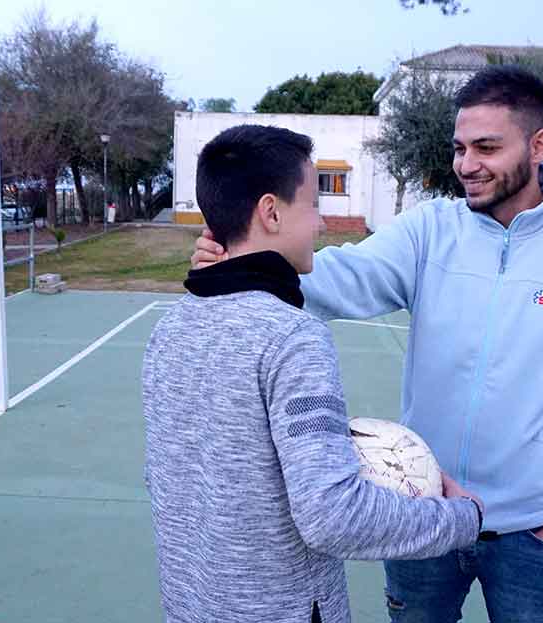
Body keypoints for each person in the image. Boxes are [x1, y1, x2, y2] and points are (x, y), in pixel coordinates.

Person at [191, 66, 543, 623]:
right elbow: (345, 277)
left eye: (487, 147)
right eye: (460, 147)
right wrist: (247, 264)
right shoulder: (429, 231)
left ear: (539, 146)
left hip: (538, 533)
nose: (466, 165)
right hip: (425, 512)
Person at [143, 124, 485, 623]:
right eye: (312, 205)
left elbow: (165, 478)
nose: (321, 224)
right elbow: (332, 516)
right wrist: (460, 519)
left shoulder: (170, 328)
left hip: (190, 605)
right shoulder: (292, 337)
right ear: (272, 212)